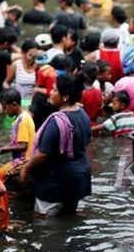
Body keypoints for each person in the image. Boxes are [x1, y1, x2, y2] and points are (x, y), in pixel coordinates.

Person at [20, 74, 92, 216]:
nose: (50, 93)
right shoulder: (84, 115)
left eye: (54, 90)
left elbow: (42, 154)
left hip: (56, 182)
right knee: (68, 218)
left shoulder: (57, 121)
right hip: (79, 178)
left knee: (44, 222)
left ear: (65, 96)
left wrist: (25, 169)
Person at [0, 89, 35, 172]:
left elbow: (23, 146)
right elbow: (16, 142)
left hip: (23, 161)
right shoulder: (21, 117)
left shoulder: (23, 120)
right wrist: (3, 148)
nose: (4, 111)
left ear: (14, 104)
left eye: (5, 108)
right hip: (20, 160)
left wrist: (4, 149)